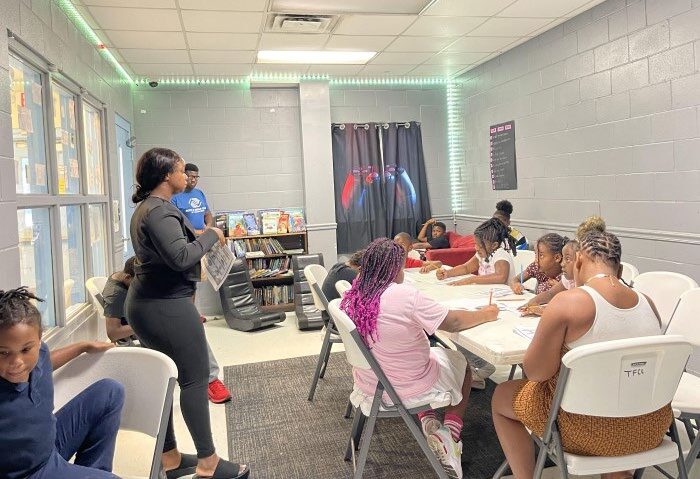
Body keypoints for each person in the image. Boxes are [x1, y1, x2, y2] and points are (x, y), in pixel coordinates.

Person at [491, 231, 670, 479]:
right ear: (618, 266)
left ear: (578, 261)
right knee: (615, 389)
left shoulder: (568, 302)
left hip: (585, 431)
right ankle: (616, 473)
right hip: (649, 428)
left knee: (501, 395)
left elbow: (536, 373)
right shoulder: (648, 304)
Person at [125, 148, 249, 479]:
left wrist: (201, 236)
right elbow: (181, 257)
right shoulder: (160, 212)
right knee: (194, 378)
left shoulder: (150, 209)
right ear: (167, 176)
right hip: (165, 306)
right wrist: (210, 236)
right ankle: (208, 463)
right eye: (181, 171)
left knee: (166, 378)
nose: (187, 177)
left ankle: (170, 458)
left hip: (149, 303)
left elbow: (172, 250)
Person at [340, 238, 499, 478]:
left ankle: (428, 421)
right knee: (461, 363)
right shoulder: (403, 295)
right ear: (394, 269)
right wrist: (486, 314)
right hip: (405, 385)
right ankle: (450, 436)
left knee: (430, 356)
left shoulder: (356, 292)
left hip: (371, 381)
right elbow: (452, 322)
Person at [0, 287, 124, 479]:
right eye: (3, 353)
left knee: (110, 391)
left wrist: (82, 346)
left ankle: (94, 472)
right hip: (27, 473)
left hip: (48, 448)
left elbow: (47, 361)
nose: (17, 363)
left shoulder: (40, 354)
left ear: (39, 340)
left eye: (25, 349)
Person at [102, 257, 232, 404]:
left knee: (191, 324)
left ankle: (207, 376)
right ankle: (210, 380)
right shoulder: (114, 294)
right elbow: (113, 333)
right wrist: (147, 320)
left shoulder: (128, 279)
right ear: (127, 278)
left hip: (147, 318)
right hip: (136, 331)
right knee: (188, 329)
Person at [519, 216, 608, 315]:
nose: (562, 263)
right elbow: (550, 294)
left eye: (568, 259)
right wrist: (531, 303)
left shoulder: (594, 282)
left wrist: (545, 311)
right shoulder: (570, 279)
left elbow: (575, 310)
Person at [171, 162, 213, 324]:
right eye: (190, 176)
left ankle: (193, 314)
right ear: (184, 175)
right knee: (186, 281)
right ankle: (186, 317)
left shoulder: (199, 194)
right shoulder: (175, 198)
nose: (194, 180)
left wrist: (208, 229)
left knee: (195, 280)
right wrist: (197, 233)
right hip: (186, 244)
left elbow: (208, 215)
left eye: (196, 177)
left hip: (201, 243)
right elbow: (177, 224)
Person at [435, 218, 517, 286]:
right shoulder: (481, 254)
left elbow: (501, 277)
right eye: (476, 244)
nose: (476, 248)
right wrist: (447, 273)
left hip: (502, 296)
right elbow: (466, 268)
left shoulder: (500, 254)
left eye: (480, 246)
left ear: (494, 245)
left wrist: (471, 280)